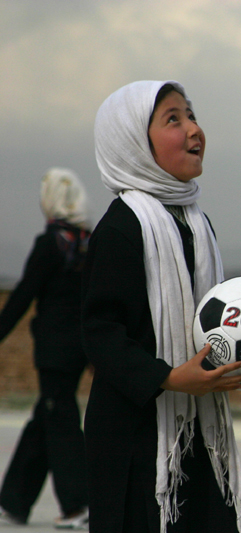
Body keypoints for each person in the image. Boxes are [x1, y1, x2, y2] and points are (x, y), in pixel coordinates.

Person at [81, 80, 241, 533]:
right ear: (134, 141)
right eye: (173, 119)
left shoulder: (196, 222)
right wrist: (170, 378)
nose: (194, 129)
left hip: (198, 429)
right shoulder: (122, 228)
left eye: (191, 115)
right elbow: (100, 333)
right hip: (134, 439)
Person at [0, 168, 91, 529]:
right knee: (46, 416)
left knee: (61, 420)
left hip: (54, 350)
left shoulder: (51, 243)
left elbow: (23, 295)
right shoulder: (88, 242)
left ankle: (79, 504)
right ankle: (14, 502)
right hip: (79, 349)